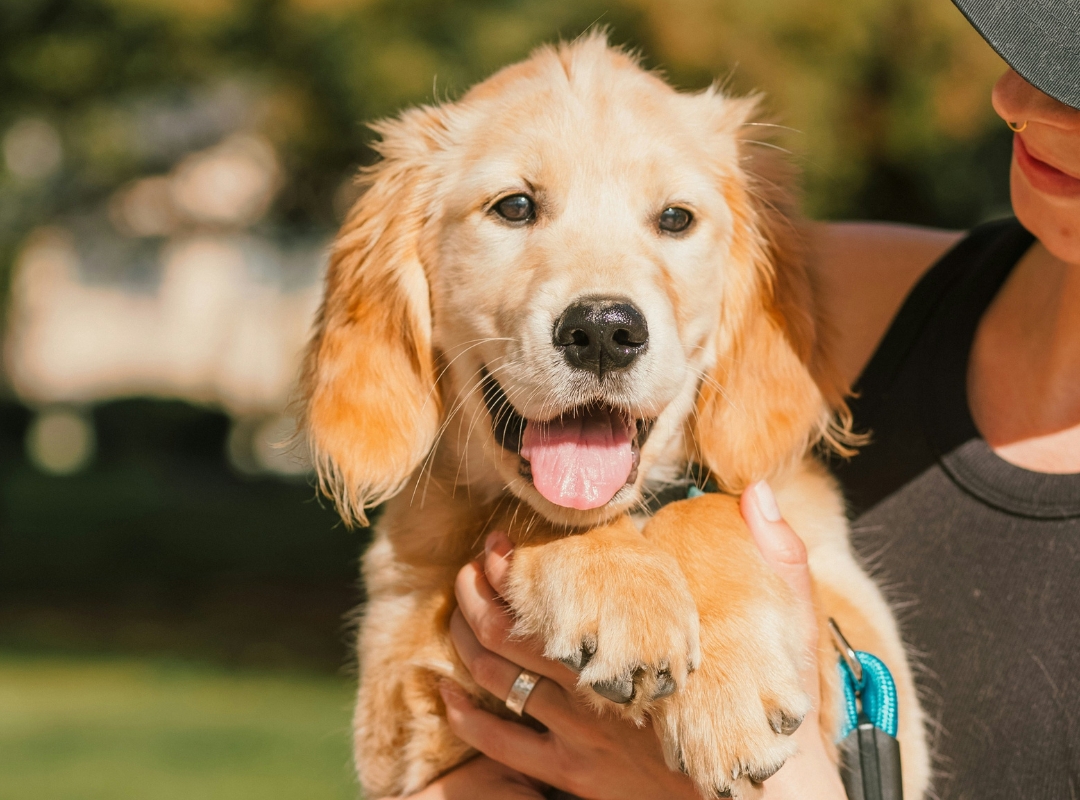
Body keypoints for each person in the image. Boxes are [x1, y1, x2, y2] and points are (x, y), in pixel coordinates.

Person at [387, 1, 1080, 796]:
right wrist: (570, 547)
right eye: (514, 207)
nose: (1018, 102)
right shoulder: (841, 292)